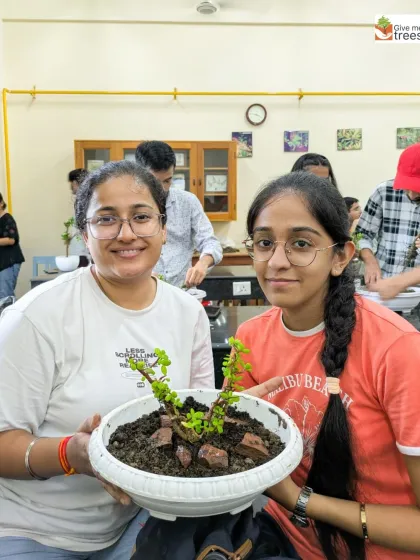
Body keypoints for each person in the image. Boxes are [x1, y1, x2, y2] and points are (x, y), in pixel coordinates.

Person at [134, 172, 420, 560]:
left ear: (341, 257)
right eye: (265, 243)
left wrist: (299, 500)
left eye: (301, 244)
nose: (277, 262)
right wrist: (221, 425)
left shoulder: (397, 350)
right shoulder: (250, 339)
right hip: (281, 538)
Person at [0, 160, 215, 559]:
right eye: (106, 219)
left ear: (164, 229)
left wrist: (230, 412)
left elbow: (195, 417)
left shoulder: (188, 314)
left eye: (141, 217)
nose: (126, 233)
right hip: (34, 527)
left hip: (140, 519)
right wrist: (71, 454)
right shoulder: (36, 318)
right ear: (85, 233)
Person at [135, 141, 222, 288]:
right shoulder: (129, 206)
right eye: (155, 182)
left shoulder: (188, 201)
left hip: (182, 291)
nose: (162, 189)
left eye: (168, 180)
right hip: (142, 290)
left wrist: (202, 263)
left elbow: (210, 242)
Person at [356, 143, 420, 285]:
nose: (412, 194)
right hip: (383, 283)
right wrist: (369, 260)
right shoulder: (384, 192)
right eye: (407, 186)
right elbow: (360, 235)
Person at [0, 193, 25, 299]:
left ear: (1, 203)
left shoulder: (7, 218)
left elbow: (11, 240)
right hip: (2, 263)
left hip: (8, 262)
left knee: (5, 296)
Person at [68, 169, 91, 266]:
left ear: (75, 182)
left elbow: (84, 224)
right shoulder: (83, 199)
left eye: (71, 183)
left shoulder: (86, 200)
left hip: (83, 252)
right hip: (80, 251)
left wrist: (72, 232)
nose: (70, 187)